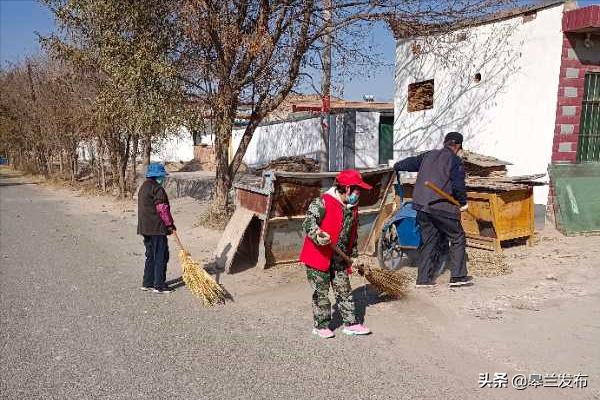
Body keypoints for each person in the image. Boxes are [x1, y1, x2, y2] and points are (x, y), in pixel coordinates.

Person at [299, 169, 372, 339]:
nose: (358, 193)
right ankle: (321, 325)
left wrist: (353, 258)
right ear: (347, 188)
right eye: (357, 189)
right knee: (321, 292)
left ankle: (351, 324)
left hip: (339, 257)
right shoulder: (322, 202)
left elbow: (351, 236)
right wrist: (317, 234)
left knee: (344, 290)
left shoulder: (352, 208)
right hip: (318, 257)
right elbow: (308, 222)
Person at [393, 132, 473, 288]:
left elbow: (409, 163)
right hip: (442, 207)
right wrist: (462, 202)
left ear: (445, 143)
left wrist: (397, 165)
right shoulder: (455, 160)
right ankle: (458, 277)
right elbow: (458, 185)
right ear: (457, 146)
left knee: (428, 242)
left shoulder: (428, 155)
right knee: (457, 237)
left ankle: (423, 280)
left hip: (422, 207)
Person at [137, 163, 176, 294]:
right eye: (161, 176)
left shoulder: (144, 187)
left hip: (145, 227)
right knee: (161, 256)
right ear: (157, 176)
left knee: (150, 255)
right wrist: (169, 224)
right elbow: (162, 209)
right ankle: (159, 285)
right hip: (156, 228)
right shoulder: (157, 188)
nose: (163, 178)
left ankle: (147, 283)